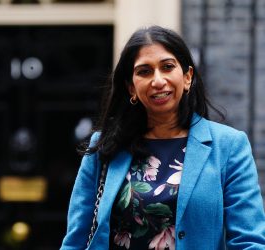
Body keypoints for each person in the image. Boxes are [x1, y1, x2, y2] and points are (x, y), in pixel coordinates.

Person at [60, 25, 265, 250]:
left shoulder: (229, 146)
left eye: (167, 67)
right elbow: (76, 241)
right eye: (144, 71)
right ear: (131, 88)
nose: (158, 80)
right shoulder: (105, 147)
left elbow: (249, 242)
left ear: (187, 77)